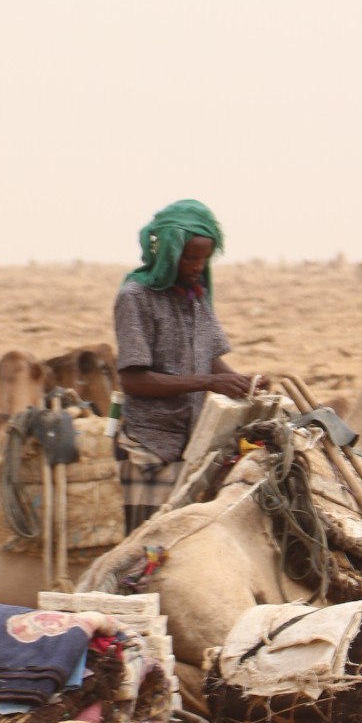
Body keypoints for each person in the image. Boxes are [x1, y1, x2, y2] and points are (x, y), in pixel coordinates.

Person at [112, 200, 257, 533]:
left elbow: (210, 357)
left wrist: (241, 382)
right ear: (167, 253)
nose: (197, 266)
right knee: (145, 544)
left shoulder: (195, 296)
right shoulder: (135, 297)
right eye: (190, 257)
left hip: (193, 442)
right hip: (149, 445)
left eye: (204, 258)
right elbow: (134, 380)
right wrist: (207, 382)